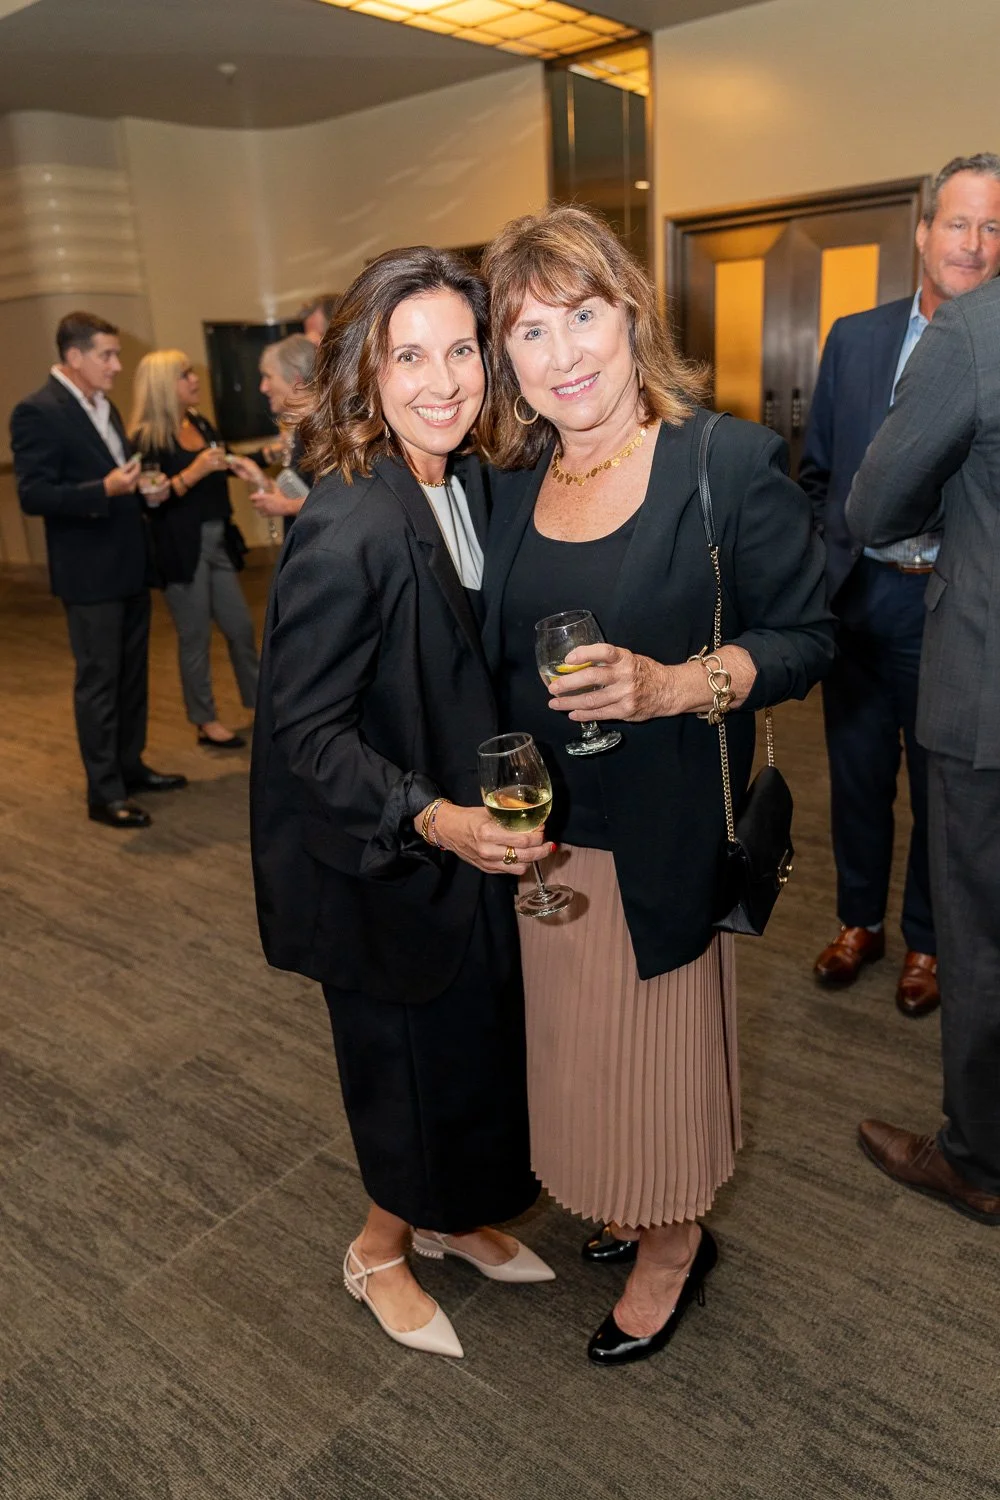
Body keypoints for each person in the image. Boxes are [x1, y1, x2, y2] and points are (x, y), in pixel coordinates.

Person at [479, 206, 834, 1364]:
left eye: (582, 316)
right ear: (507, 358)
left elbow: (808, 637)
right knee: (577, 1053)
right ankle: (629, 1204)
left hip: (667, 834)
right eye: (530, 332)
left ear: (631, 313)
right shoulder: (509, 480)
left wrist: (677, 685)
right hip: (546, 835)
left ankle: (674, 1242)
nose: (563, 355)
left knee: (655, 1068)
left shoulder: (722, 464)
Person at [250, 247, 554, 1361]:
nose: (443, 381)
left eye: (461, 351)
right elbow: (306, 737)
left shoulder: (459, 481)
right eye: (409, 356)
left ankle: (447, 1218)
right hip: (383, 857)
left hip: (460, 848)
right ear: (364, 372)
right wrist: (434, 818)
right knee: (407, 1077)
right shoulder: (350, 526)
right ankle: (379, 1248)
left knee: (472, 1056)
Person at [798, 154, 1000, 1017]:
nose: (973, 243)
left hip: (951, 608)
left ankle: (926, 938)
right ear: (922, 232)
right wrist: (821, 570)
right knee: (856, 773)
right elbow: (816, 471)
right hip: (860, 597)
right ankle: (859, 921)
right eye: (957, 222)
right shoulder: (855, 338)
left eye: (993, 227)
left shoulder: (992, 347)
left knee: (939, 787)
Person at [846, 274, 1000, 1227]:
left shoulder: (975, 330)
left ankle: (979, 1160)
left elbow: (875, 507)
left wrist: (959, 526)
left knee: (979, 933)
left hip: (988, 692)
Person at [10, 311, 186, 828]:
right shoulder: (37, 411)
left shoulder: (103, 406)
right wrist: (103, 490)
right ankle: (104, 792)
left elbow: (119, 478)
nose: (116, 365)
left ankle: (130, 767)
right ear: (74, 357)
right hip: (88, 574)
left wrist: (145, 491)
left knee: (131, 678)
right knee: (99, 683)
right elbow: (33, 494)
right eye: (106, 355)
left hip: (129, 562)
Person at [129, 351, 259, 750]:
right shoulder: (148, 438)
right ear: (164, 385)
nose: (194, 379)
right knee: (195, 637)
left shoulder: (200, 423)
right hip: (181, 549)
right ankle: (205, 720)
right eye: (185, 374)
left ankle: (262, 706)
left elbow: (225, 461)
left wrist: (263, 457)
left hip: (218, 540)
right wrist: (194, 471)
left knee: (240, 627)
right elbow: (151, 501)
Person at [229, 334, 315, 534]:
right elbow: (306, 490)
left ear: (295, 379)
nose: (263, 387)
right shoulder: (303, 428)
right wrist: (262, 481)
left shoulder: (322, 429)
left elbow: (340, 500)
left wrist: (285, 507)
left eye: (268, 377)